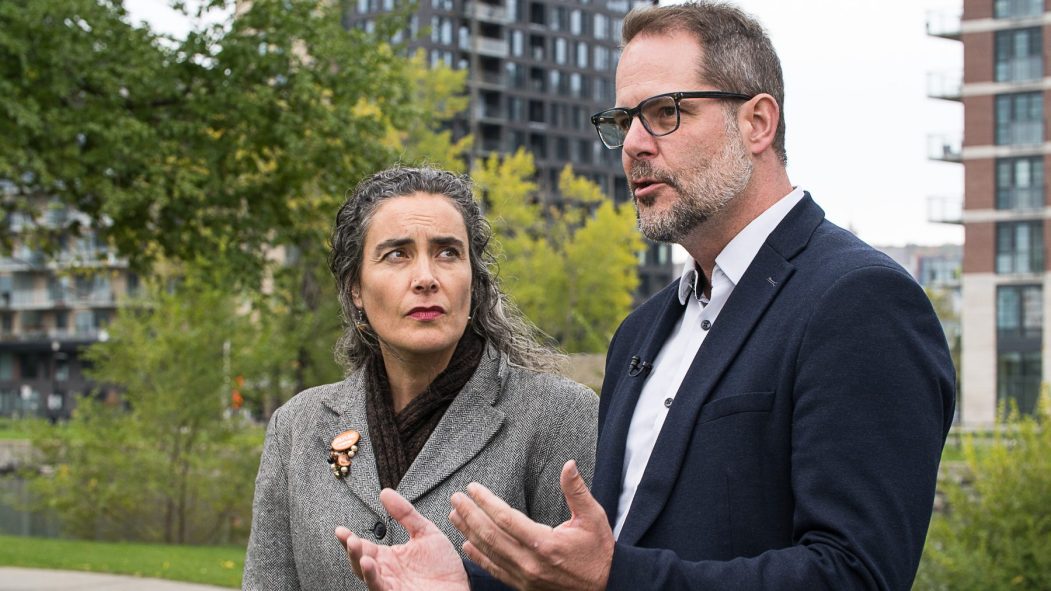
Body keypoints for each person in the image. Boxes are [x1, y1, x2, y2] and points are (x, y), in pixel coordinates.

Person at [336, 3, 956, 591]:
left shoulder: (859, 302)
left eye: (664, 113)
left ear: (758, 122)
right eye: (622, 120)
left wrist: (615, 576)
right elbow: (606, 555)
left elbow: (854, 575)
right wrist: (470, 582)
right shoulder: (642, 332)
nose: (633, 144)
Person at [242, 166, 599, 591]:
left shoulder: (558, 416)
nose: (427, 278)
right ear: (355, 287)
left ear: (474, 279)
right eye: (397, 254)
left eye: (448, 252)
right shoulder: (296, 427)